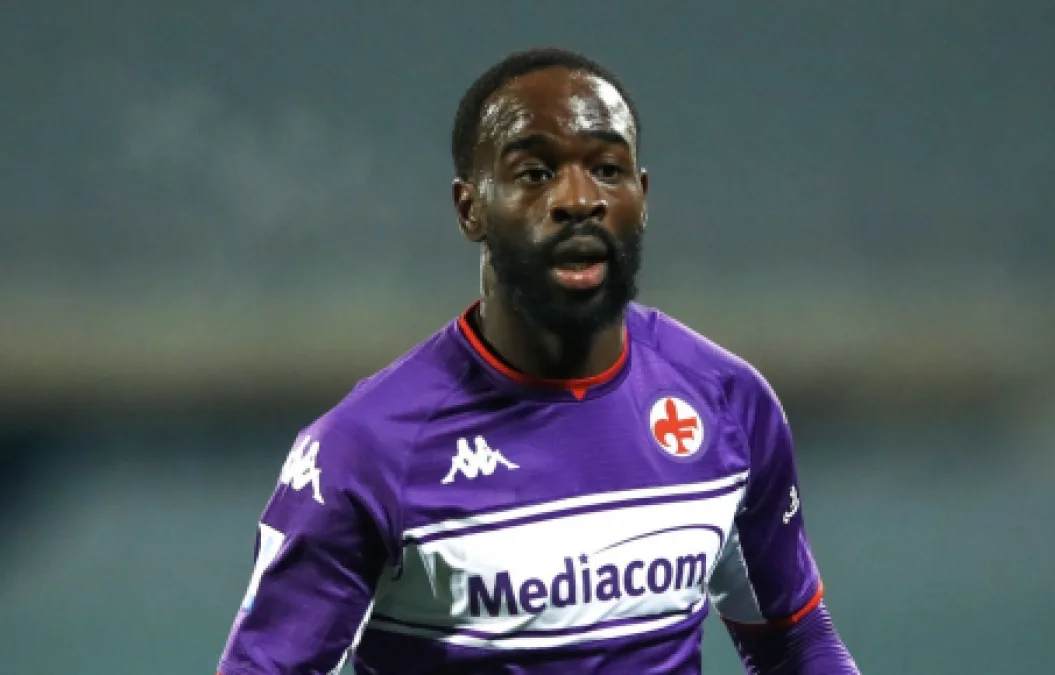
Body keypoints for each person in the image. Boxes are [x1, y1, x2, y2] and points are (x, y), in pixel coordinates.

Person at [217, 47, 860, 675]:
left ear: (642, 195)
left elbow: (792, 642)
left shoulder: (729, 403)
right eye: (534, 173)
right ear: (471, 208)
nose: (578, 199)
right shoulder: (364, 452)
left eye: (606, 168)